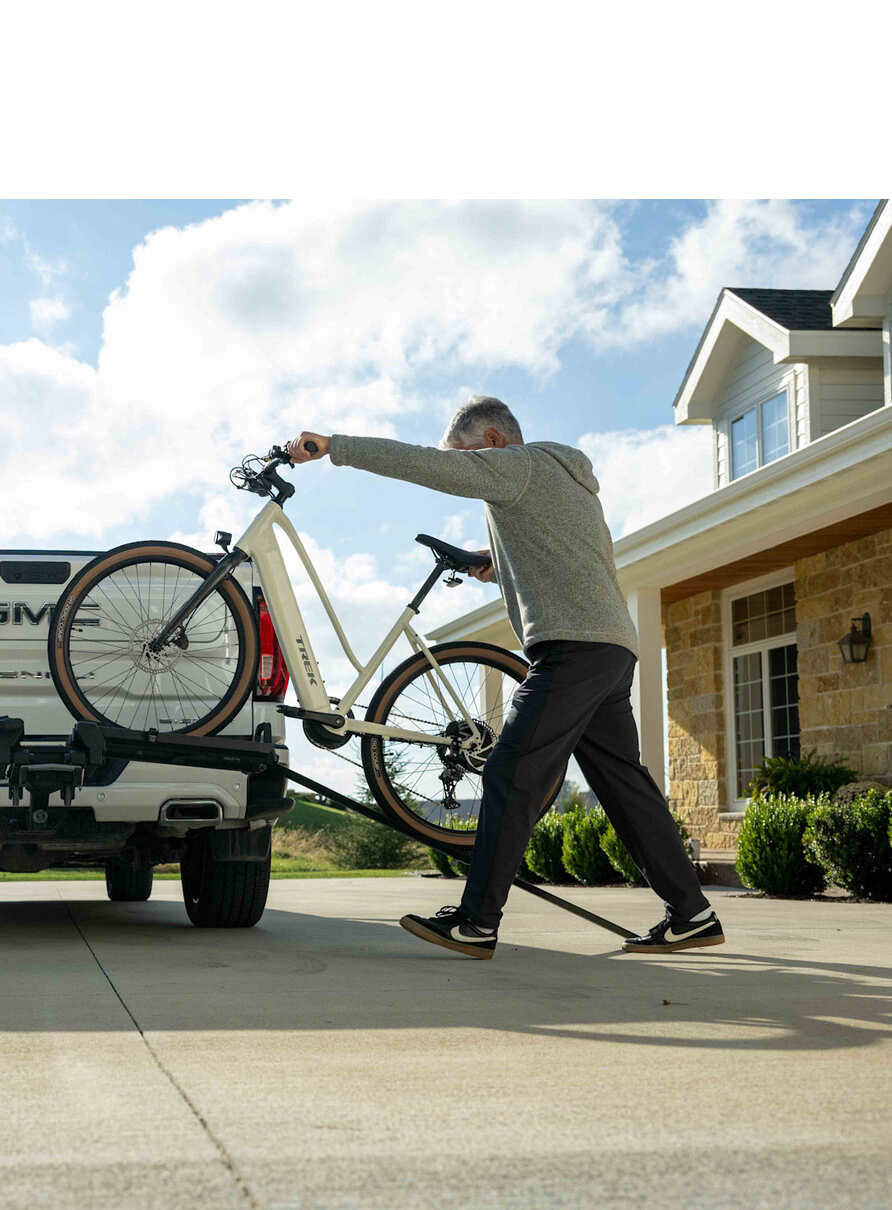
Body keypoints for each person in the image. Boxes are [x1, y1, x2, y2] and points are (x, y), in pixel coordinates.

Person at [286, 398, 723, 960]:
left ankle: (476, 922)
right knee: (624, 786)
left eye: (470, 460)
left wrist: (336, 448)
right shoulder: (563, 479)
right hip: (610, 649)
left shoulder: (517, 465)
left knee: (511, 773)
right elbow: (560, 562)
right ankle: (692, 914)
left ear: (492, 441)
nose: (471, 473)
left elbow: (430, 467)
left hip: (571, 649)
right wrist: (492, 564)